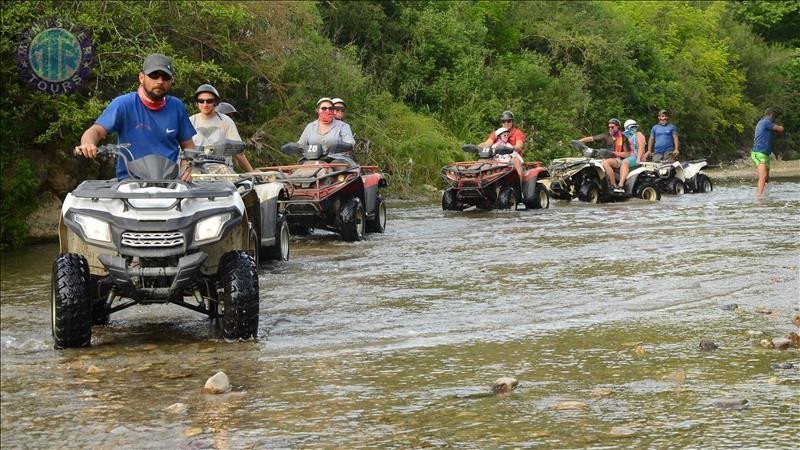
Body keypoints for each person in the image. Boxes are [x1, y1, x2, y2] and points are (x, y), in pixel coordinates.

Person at [75, 53, 195, 181]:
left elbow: (189, 146)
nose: (160, 81)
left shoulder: (176, 106)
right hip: (130, 182)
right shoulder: (123, 104)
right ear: (141, 77)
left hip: (169, 183)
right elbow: (96, 131)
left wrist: (186, 168)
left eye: (165, 77)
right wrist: (88, 144)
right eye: (154, 75)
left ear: (171, 81)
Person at [190, 84, 254, 172]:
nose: (205, 104)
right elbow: (182, 150)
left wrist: (252, 172)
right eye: (201, 101)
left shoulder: (226, 121)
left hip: (221, 168)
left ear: (215, 102)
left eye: (209, 101)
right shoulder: (191, 121)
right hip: (196, 168)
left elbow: (238, 152)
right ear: (197, 103)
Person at [578, 118, 631, 191]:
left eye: (612, 127)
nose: (610, 129)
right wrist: (579, 141)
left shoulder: (624, 138)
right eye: (609, 127)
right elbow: (591, 138)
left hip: (617, 159)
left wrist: (613, 153)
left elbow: (627, 154)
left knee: (606, 163)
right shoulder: (606, 136)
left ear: (618, 127)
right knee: (587, 161)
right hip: (604, 157)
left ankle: (614, 185)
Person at [479, 111, 526, 189]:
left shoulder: (518, 133)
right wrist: (477, 147)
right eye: (504, 121)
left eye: (509, 121)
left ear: (512, 122)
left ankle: (521, 188)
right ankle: (481, 187)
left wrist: (509, 148)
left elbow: (519, 146)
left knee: (515, 161)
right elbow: (487, 144)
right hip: (498, 158)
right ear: (501, 122)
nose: (506, 123)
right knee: (481, 161)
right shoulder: (497, 133)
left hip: (512, 157)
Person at [752, 107, 784, 196]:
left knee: (766, 178)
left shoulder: (762, 123)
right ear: (771, 115)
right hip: (758, 153)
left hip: (765, 154)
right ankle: (759, 198)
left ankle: (764, 195)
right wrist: (781, 126)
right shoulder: (766, 122)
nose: (774, 120)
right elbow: (780, 129)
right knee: (762, 176)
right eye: (774, 118)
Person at [616, 119, 647, 190]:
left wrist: (638, 158)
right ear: (627, 128)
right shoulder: (624, 136)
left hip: (637, 156)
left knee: (625, 162)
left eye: (635, 127)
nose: (634, 129)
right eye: (632, 127)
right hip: (628, 155)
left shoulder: (638, 134)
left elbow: (641, 147)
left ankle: (621, 184)